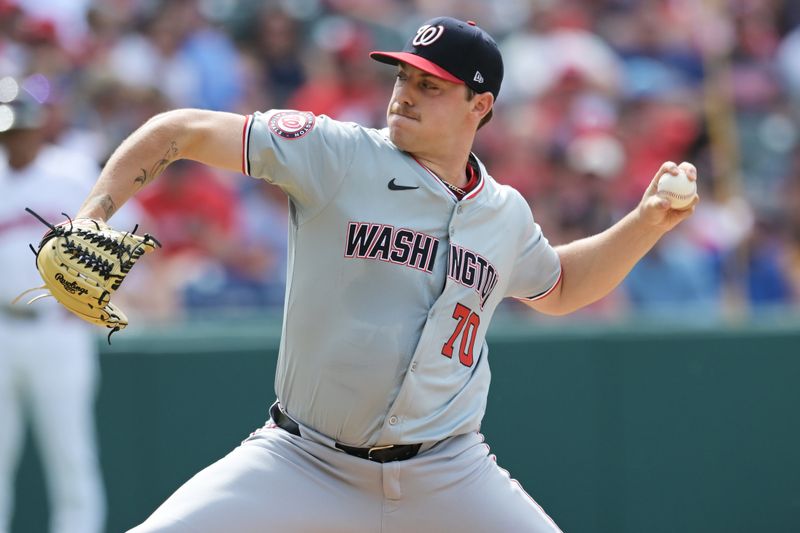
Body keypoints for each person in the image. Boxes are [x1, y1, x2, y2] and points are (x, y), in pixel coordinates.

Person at [72, 16, 698, 532]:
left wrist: (646, 223)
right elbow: (179, 131)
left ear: (480, 105)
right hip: (304, 459)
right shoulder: (337, 154)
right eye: (403, 75)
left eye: (432, 85)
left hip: (449, 471)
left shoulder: (503, 213)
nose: (405, 92)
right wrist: (93, 214)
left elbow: (559, 287)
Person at [0, 92, 106, 533]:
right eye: (9, 131)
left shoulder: (72, 171)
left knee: (70, 455)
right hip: (3, 328)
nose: (16, 139)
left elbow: (120, 236)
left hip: (58, 329)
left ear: (40, 126)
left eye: (23, 128)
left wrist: (93, 298)